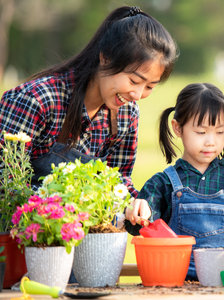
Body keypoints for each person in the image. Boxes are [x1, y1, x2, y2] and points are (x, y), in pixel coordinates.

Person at [0, 6, 178, 198]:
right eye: (134, 81)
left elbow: (118, 182)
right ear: (105, 57)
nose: (137, 94)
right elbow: (5, 182)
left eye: (149, 87)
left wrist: (140, 204)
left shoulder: (127, 115)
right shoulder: (38, 99)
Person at [125, 83, 224, 278]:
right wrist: (137, 210)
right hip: (176, 283)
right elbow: (138, 228)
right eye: (201, 132)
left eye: (220, 132)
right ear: (177, 128)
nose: (211, 141)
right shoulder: (162, 183)